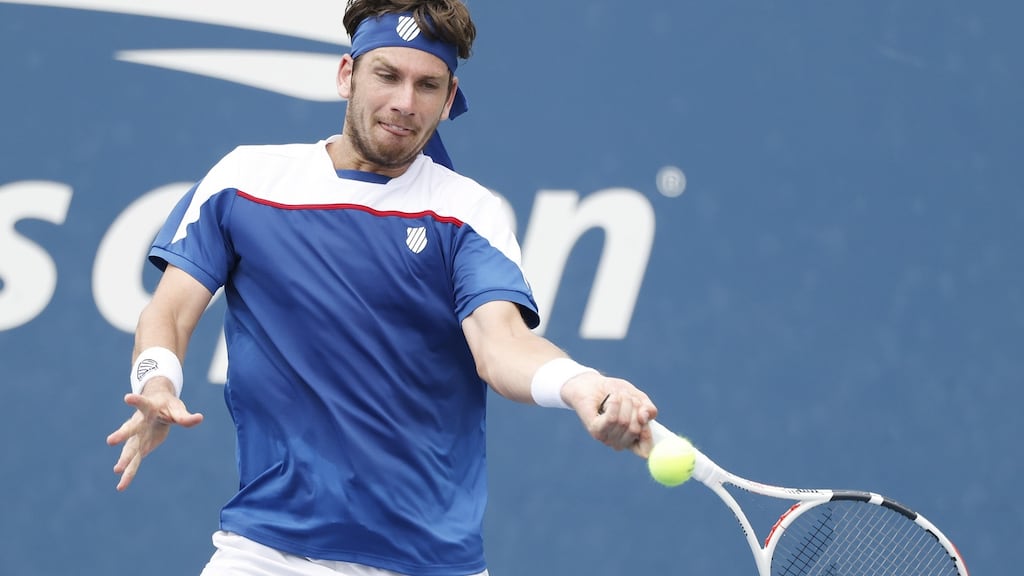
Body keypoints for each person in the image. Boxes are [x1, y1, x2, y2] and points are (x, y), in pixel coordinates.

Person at [106, 0, 658, 574]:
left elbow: (502, 346)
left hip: (429, 562)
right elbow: (170, 311)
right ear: (348, 74)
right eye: (387, 75)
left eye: (427, 85)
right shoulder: (247, 181)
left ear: (449, 100)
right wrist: (157, 377)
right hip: (265, 552)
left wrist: (580, 384)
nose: (403, 103)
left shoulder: (465, 212)